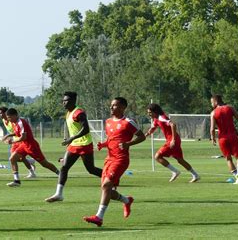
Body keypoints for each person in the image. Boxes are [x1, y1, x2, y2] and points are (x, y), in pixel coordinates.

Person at [83, 97, 146, 227]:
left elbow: (142, 136)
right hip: (109, 159)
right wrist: (104, 144)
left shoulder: (128, 122)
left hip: (121, 159)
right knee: (107, 191)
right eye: (111, 105)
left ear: (123, 107)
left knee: (106, 186)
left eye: (115, 105)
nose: (111, 108)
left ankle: (99, 217)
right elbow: (112, 139)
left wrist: (129, 143)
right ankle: (126, 200)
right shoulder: (108, 122)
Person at [45, 92, 103, 202]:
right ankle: (59, 194)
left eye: (65, 100)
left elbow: (86, 129)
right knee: (64, 167)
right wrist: (69, 139)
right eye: (63, 100)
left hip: (85, 144)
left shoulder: (79, 113)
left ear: (72, 101)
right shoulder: (68, 113)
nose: (63, 102)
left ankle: (110, 178)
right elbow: (74, 129)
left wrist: (71, 138)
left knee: (91, 169)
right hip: (74, 145)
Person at [145, 103, 200, 183]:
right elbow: (153, 127)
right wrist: (146, 134)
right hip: (174, 140)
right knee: (180, 160)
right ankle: (195, 175)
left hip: (172, 140)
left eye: (150, 112)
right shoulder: (156, 119)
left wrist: (173, 140)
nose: (149, 114)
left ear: (155, 111)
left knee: (157, 156)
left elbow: (173, 125)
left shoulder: (161, 117)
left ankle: (175, 171)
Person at [4, 108, 59, 187]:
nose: (8, 119)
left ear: (15, 115)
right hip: (23, 145)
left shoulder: (21, 122)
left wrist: (11, 141)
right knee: (12, 159)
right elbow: (17, 133)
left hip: (31, 146)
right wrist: (9, 135)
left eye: (9, 117)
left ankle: (60, 174)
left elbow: (23, 137)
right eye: (8, 117)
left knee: (44, 164)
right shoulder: (14, 123)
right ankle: (17, 181)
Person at [210, 94, 238, 185]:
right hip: (232, 136)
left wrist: (213, 138)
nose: (211, 104)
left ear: (215, 102)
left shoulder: (213, 113)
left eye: (211, 102)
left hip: (222, 138)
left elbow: (212, 128)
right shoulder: (230, 108)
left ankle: (237, 178)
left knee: (228, 159)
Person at [0, 107, 36, 178]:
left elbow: (17, 132)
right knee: (15, 158)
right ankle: (30, 162)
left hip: (19, 140)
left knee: (18, 158)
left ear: (5, 113)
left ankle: (31, 173)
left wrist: (8, 136)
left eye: (1, 113)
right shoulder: (4, 120)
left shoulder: (12, 121)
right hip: (15, 141)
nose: (0, 115)